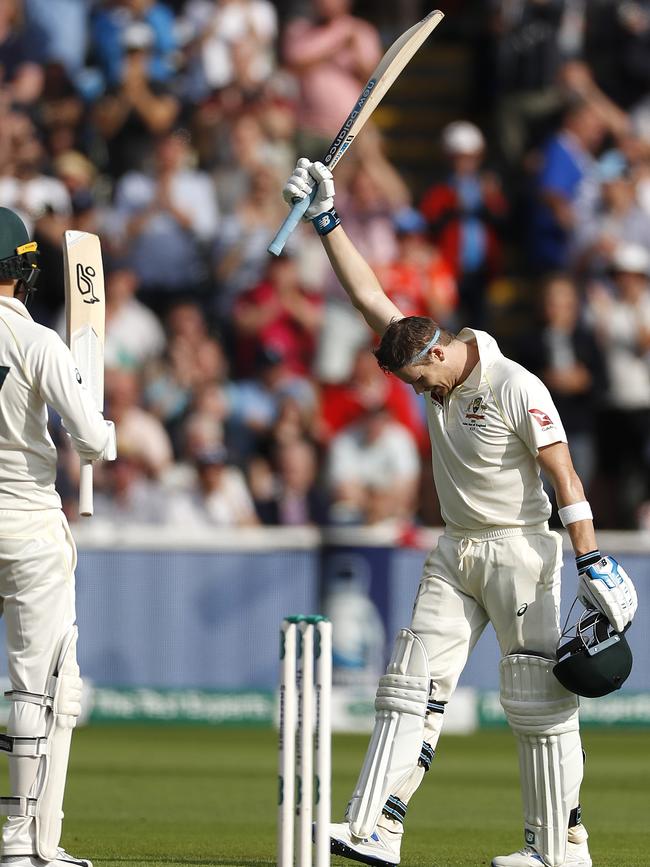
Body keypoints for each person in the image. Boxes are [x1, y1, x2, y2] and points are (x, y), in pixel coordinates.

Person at [280, 159, 638, 867]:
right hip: (456, 548)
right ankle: (376, 827)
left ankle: (559, 848)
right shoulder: (425, 359)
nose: (420, 392)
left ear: (439, 349)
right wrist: (327, 221)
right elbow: (368, 297)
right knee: (410, 680)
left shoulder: (513, 383)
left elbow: (562, 469)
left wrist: (590, 555)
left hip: (521, 552)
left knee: (537, 701)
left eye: (421, 379)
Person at [0, 207, 116, 867]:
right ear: (24, 268)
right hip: (26, 525)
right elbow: (91, 435)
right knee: (40, 687)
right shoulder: (39, 342)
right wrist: (107, 438)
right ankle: (27, 844)